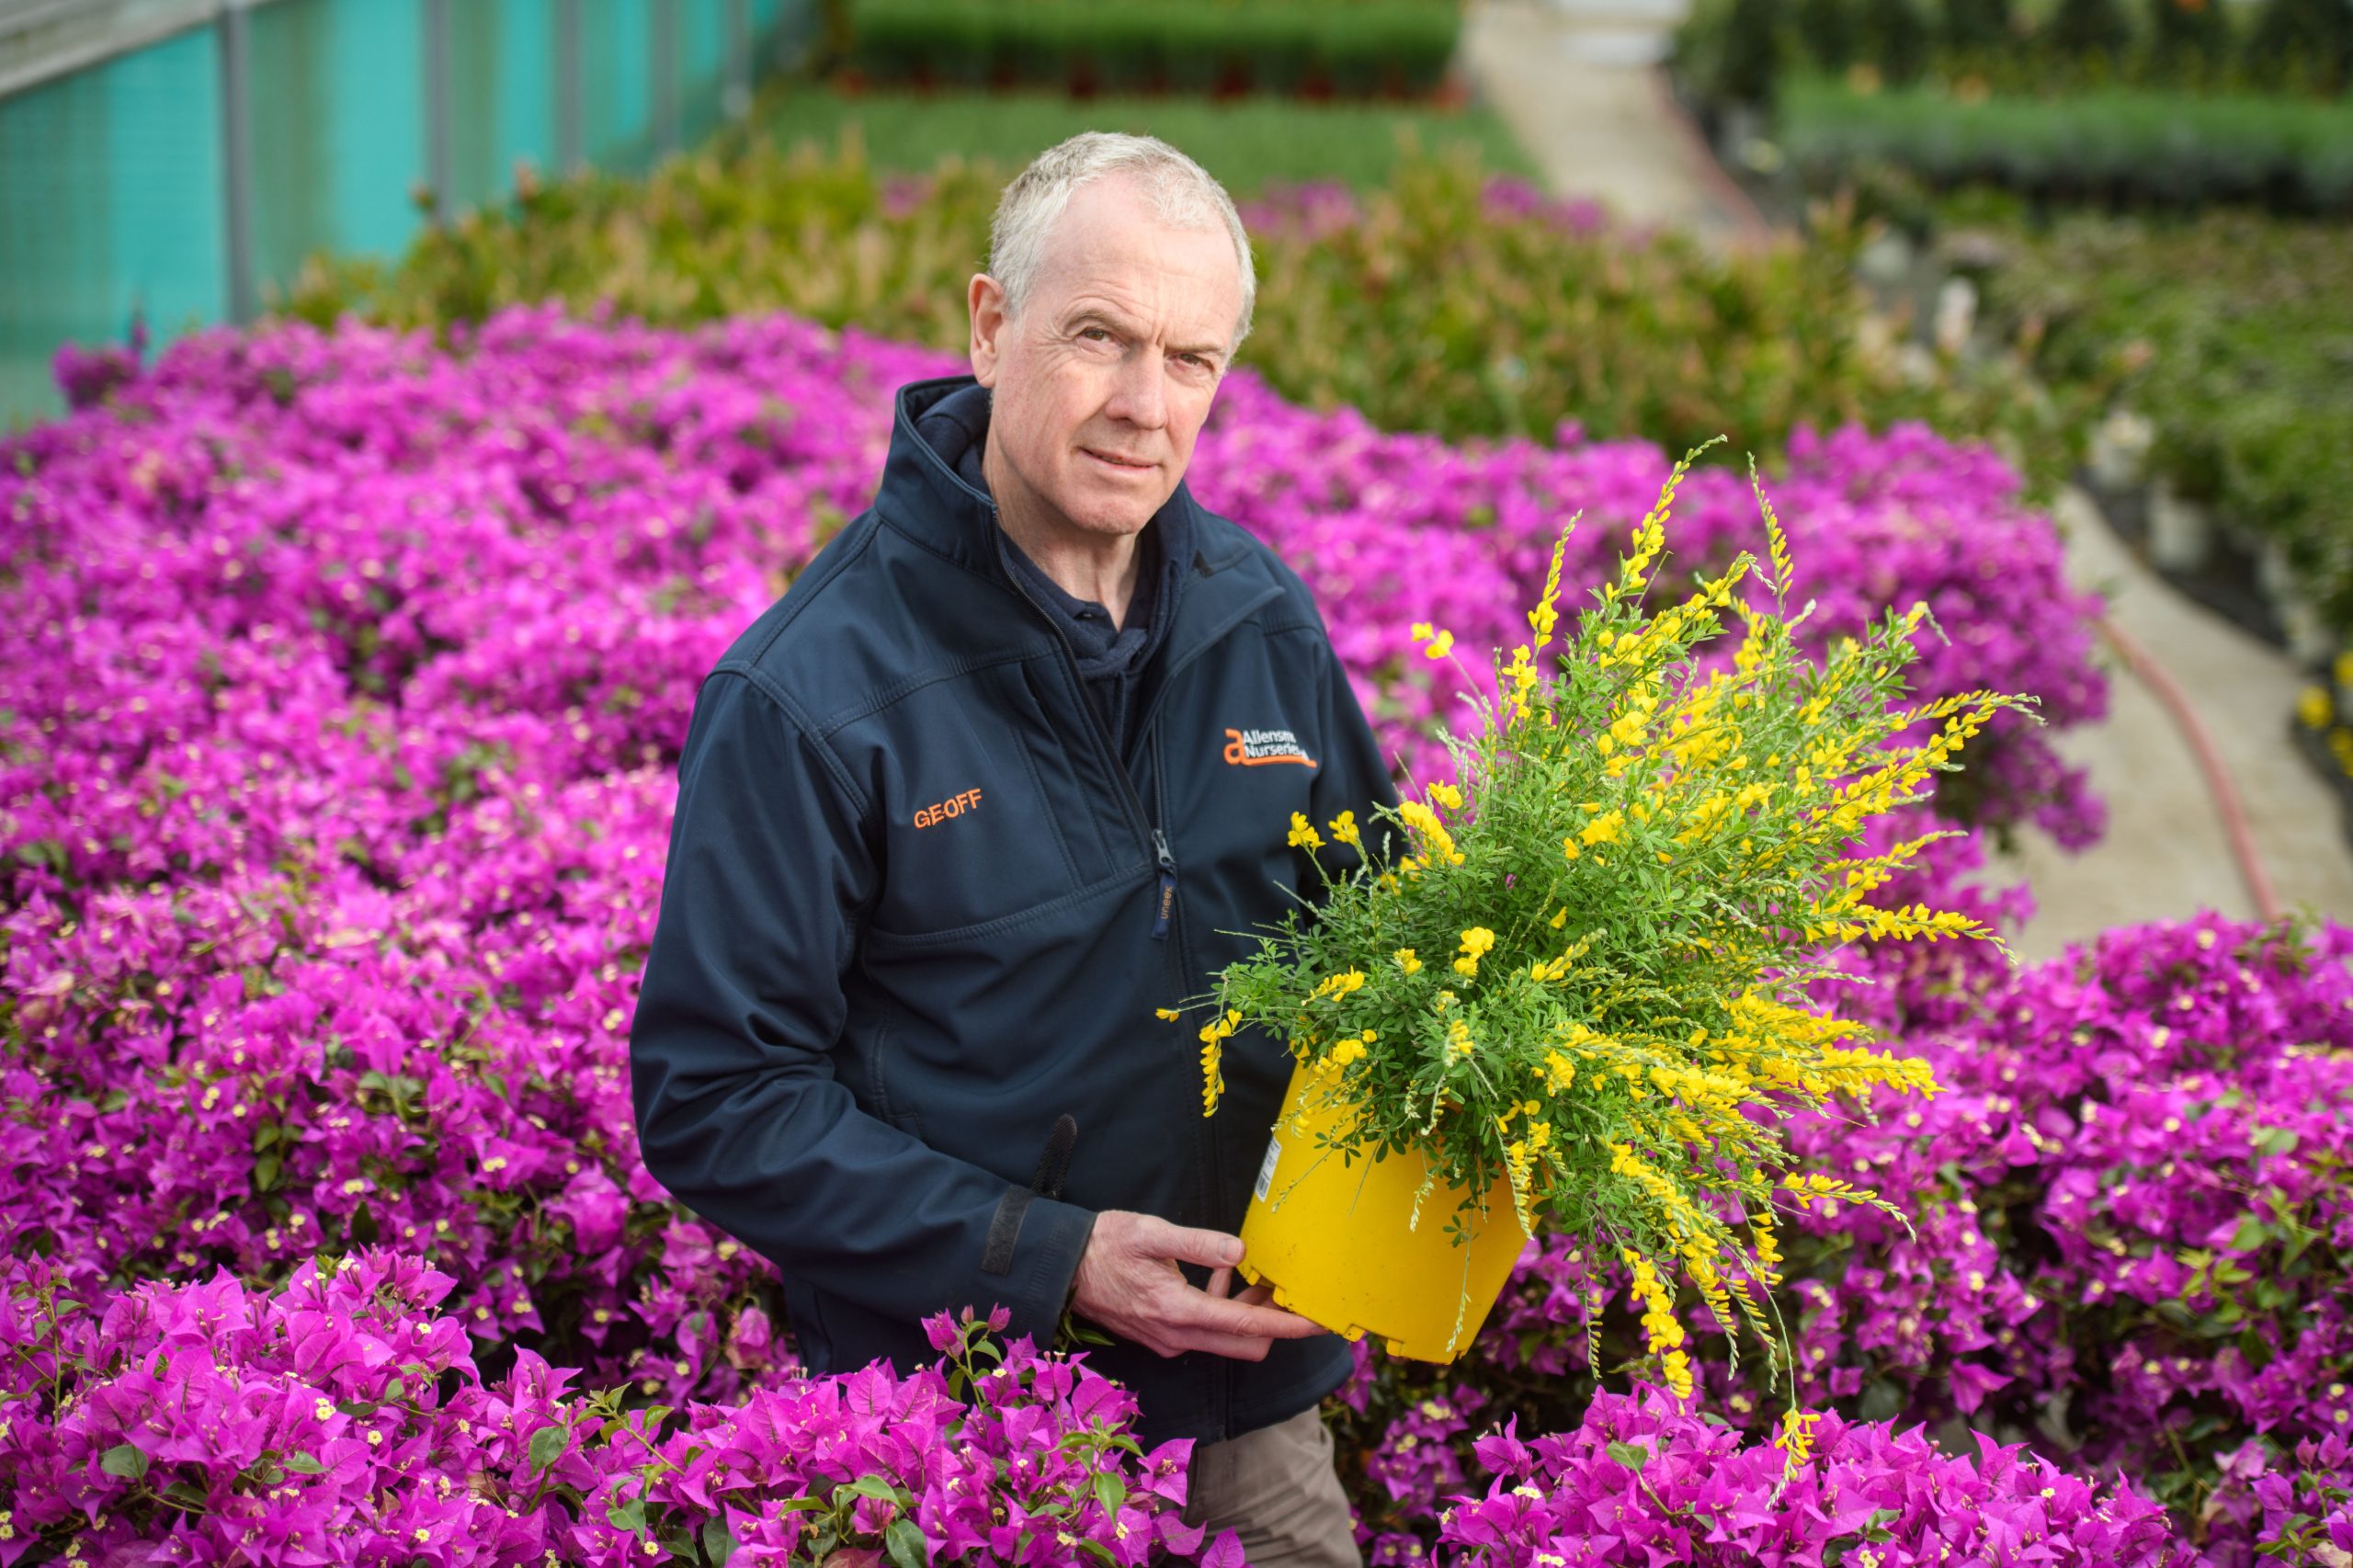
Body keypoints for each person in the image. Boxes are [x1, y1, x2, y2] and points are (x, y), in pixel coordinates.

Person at [629, 130, 1398, 1566]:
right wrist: (1048, 1261)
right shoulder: (809, 693)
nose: (1142, 407)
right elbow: (715, 1093)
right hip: (957, 1424)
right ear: (991, 325)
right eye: (1099, 337)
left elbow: (1386, 925)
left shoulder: (1258, 615)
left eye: (1191, 360)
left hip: (1250, 1403)